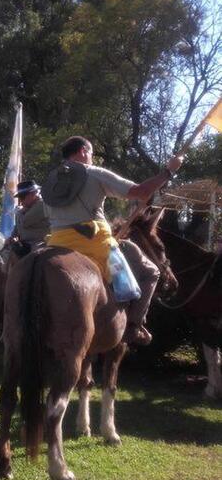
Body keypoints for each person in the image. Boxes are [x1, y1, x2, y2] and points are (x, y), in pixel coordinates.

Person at [43, 136, 183, 345]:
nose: (91, 158)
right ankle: (134, 326)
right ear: (83, 151)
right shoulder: (93, 173)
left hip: (56, 242)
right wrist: (169, 171)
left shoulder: (50, 180)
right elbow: (140, 191)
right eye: (90, 153)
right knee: (150, 272)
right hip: (94, 243)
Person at [10, 180, 50, 255]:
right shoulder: (27, 208)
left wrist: (19, 211)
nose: (21, 201)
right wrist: (11, 237)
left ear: (33, 194)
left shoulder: (41, 205)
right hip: (26, 245)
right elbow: (18, 227)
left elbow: (25, 222)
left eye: (22, 197)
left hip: (39, 244)